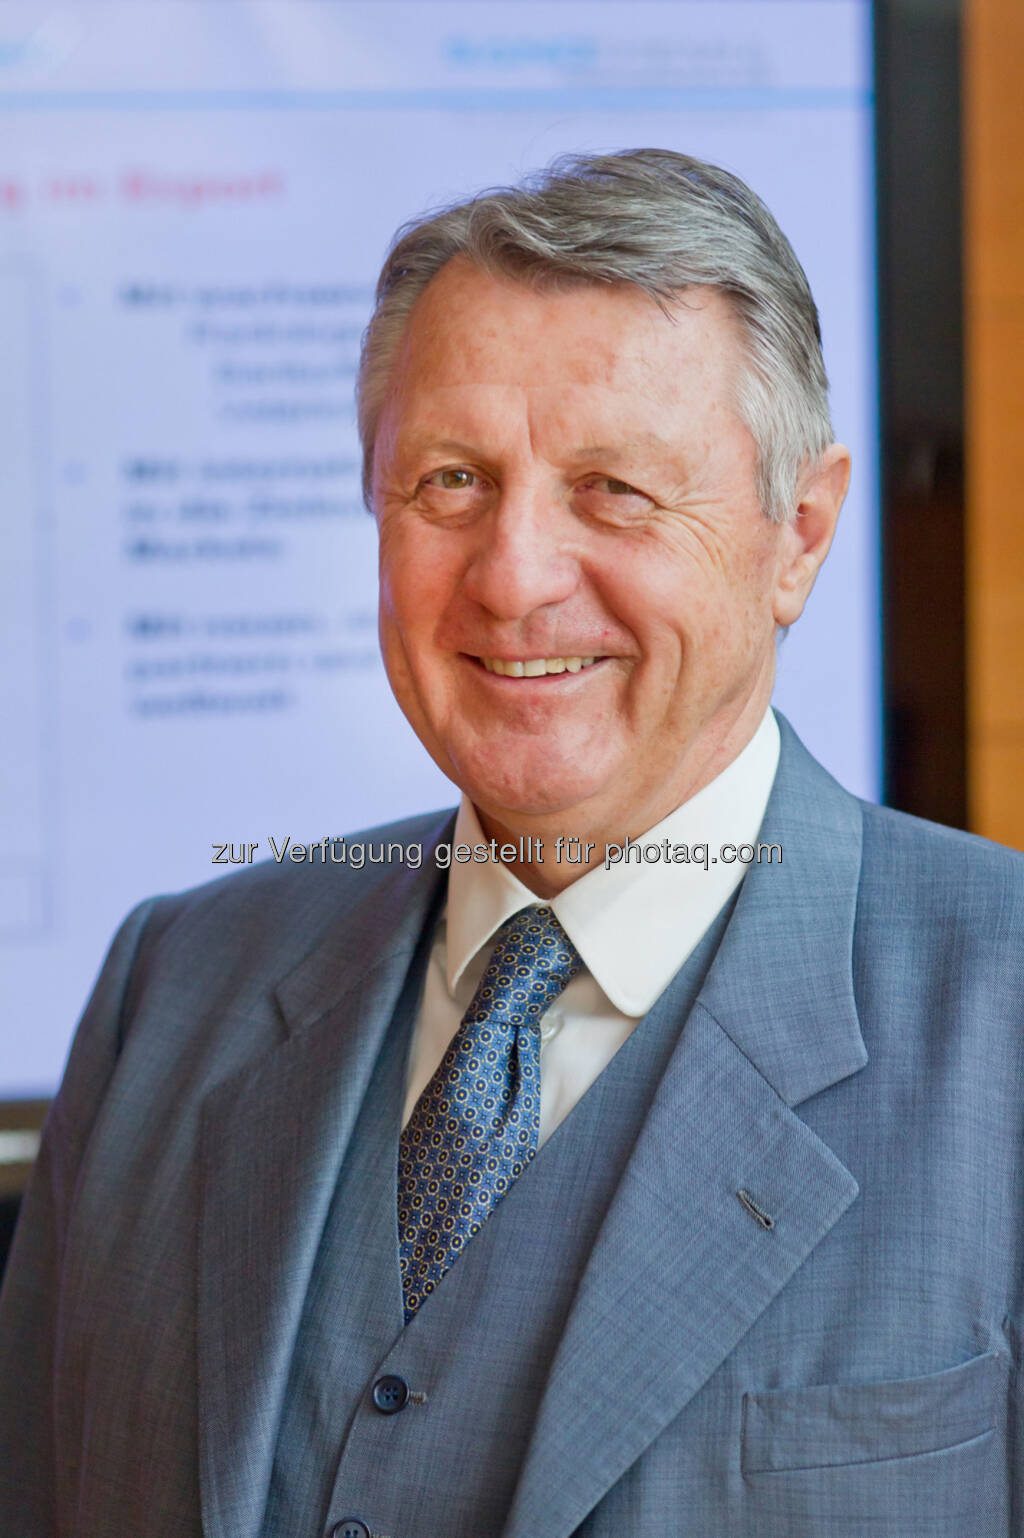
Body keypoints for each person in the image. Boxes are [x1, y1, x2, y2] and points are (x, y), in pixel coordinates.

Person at [1, 148, 1021, 1538]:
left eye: (614, 488)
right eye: (451, 480)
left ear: (800, 533)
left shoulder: (1005, 1016)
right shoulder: (168, 989)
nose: (514, 575)